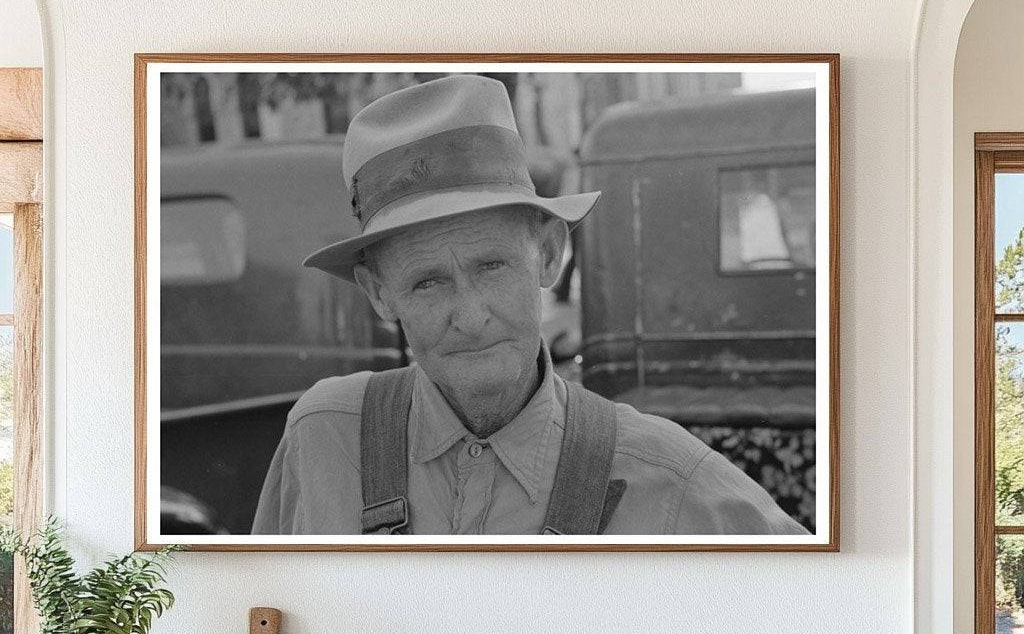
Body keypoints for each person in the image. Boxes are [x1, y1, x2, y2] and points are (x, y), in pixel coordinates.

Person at [252, 74, 807, 536]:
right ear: (379, 293)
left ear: (547, 255)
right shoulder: (323, 437)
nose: (470, 315)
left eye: (491, 267)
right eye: (427, 282)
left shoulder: (671, 481)